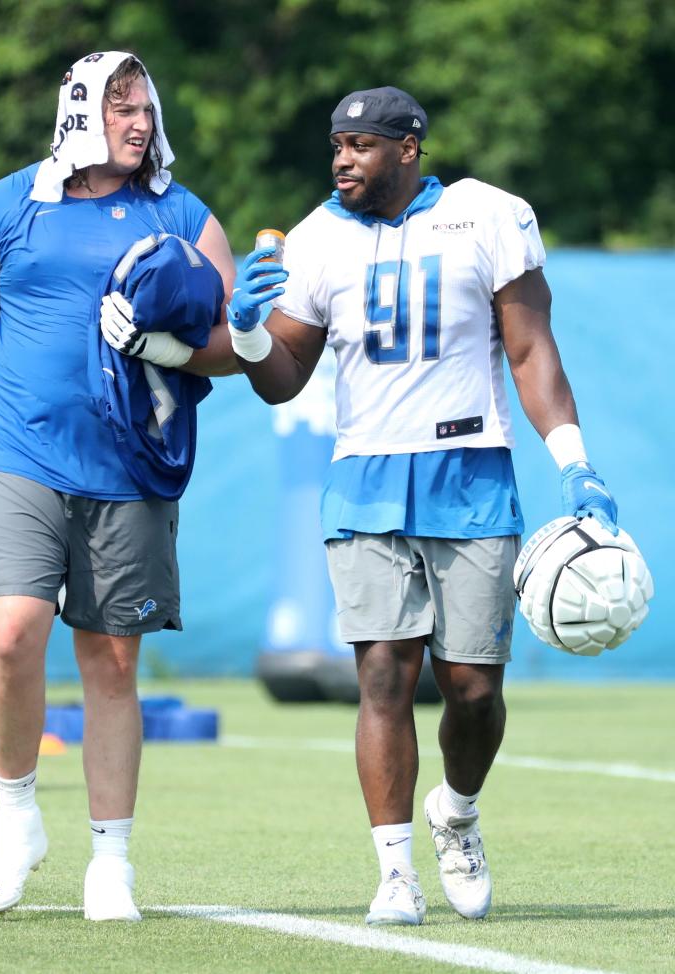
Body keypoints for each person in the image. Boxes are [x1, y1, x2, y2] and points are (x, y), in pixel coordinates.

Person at [225, 86, 617, 926]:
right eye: (336, 144)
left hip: (469, 470)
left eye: (361, 144)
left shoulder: (488, 216)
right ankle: (395, 871)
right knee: (382, 674)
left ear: (408, 149)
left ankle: (460, 812)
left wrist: (575, 464)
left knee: (472, 688)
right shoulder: (316, 237)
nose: (341, 160)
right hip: (365, 476)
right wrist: (250, 331)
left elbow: (530, 348)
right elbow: (282, 379)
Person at [0, 51, 235, 921]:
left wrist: (167, 348)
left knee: (112, 663)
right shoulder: (11, 203)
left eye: (146, 107)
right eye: (120, 108)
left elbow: (233, 343)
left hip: (132, 464)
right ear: (80, 112)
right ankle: (15, 817)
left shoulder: (182, 212)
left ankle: (110, 861)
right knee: (9, 636)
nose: (140, 122)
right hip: (19, 454)